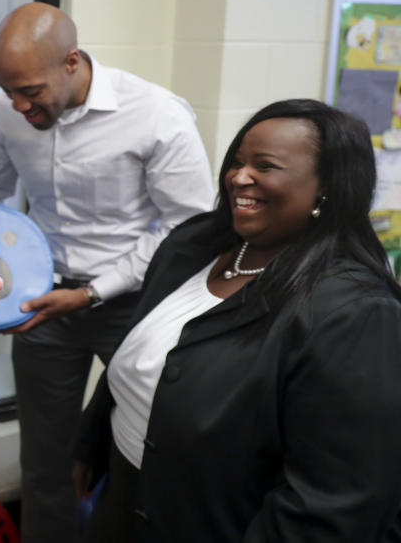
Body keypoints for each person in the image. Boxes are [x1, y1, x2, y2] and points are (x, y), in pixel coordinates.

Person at [75, 99, 401, 542]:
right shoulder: (191, 246)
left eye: (264, 166)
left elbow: (334, 500)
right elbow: (137, 353)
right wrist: (91, 446)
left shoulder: (353, 312)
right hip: (124, 501)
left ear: (326, 187)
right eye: (237, 161)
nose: (238, 177)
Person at [0, 1, 214, 542]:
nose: (19, 105)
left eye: (31, 91)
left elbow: (189, 228)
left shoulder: (156, 114)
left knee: (146, 448)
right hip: (42, 303)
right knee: (44, 460)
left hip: (135, 305)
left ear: (72, 62)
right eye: (8, 91)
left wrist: (94, 293)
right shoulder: (8, 111)